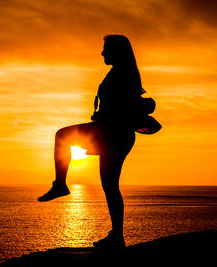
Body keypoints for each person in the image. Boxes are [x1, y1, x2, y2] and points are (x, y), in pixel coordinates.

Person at [37, 35, 161, 248]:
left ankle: (60, 185)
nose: (102, 53)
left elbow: (126, 105)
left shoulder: (124, 74)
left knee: (63, 137)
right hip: (110, 132)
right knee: (110, 185)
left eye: (106, 49)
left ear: (116, 51)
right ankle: (117, 236)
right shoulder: (119, 72)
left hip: (113, 133)